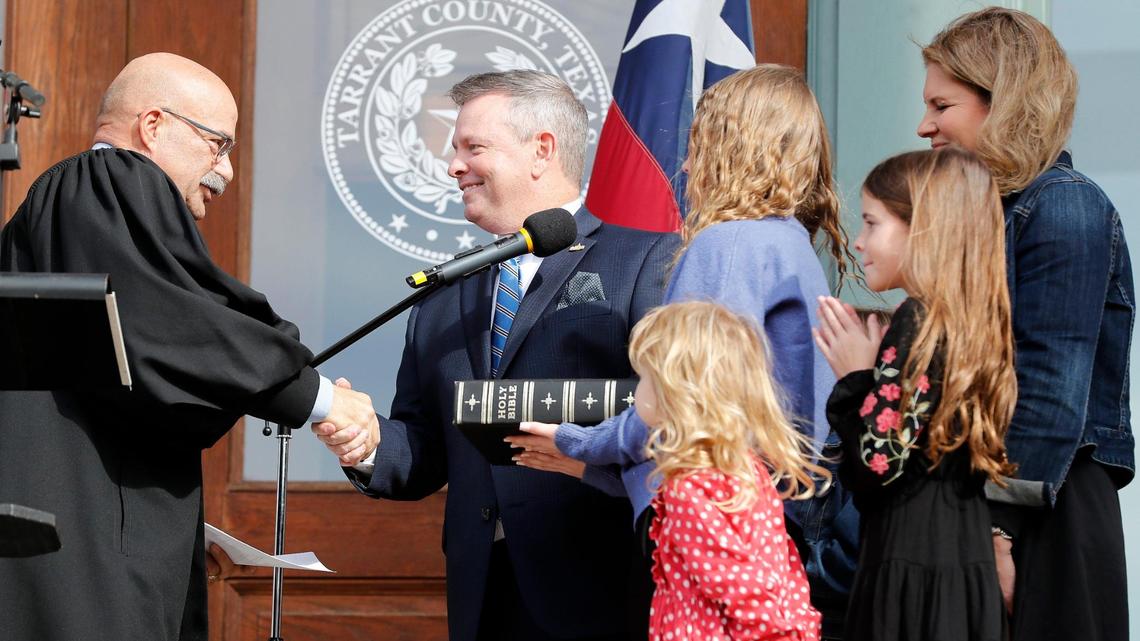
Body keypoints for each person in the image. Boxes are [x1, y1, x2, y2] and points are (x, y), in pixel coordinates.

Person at [0, 53, 378, 641]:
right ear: (153, 127)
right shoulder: (106, 178)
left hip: (79, 529)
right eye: (217, 144)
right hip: (81, 549)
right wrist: (321, 399)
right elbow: (172, 321)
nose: (225, 171)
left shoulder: (74, 216)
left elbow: (133, 367)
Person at [311, 70, 678, 641]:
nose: (454, 165)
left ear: (542, 151)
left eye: (473, 147)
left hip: (604, 591)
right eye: (454, 148)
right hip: (482, 597)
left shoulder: (645, 263)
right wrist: (364, 441)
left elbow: (672, 421)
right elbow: (423, 451)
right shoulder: (444, 295)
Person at [508, 64, 859, 639]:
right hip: (766, 523)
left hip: (711, 534)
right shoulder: (788, 241)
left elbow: (687, 407)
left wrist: (578, 440)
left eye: (700, 145)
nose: (687, 166)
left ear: (732, 149)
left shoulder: (729, 244)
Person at [918, 9, 1133, 639]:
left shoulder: (1064, 205)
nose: (923, 125)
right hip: (991, 508)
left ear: (1003, 104)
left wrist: (997, 535)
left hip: (1044, 517)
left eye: (942, 104)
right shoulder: (993, 213)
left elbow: (1047, 389)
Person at [814, 148, 1016, 640]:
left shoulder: (916, 322)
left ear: (923, 228)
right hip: (960, 565)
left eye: (872, 223)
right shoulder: (976, 326)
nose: (858, 242)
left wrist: (854, 378)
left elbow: (875, 468)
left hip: (912, 569)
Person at [619, 301, 825, 640]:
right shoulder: (745, 469)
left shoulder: (689, 489)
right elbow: (779, 571)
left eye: (645, 378)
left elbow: (743, 593)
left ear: (675, 392)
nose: (637, 390)